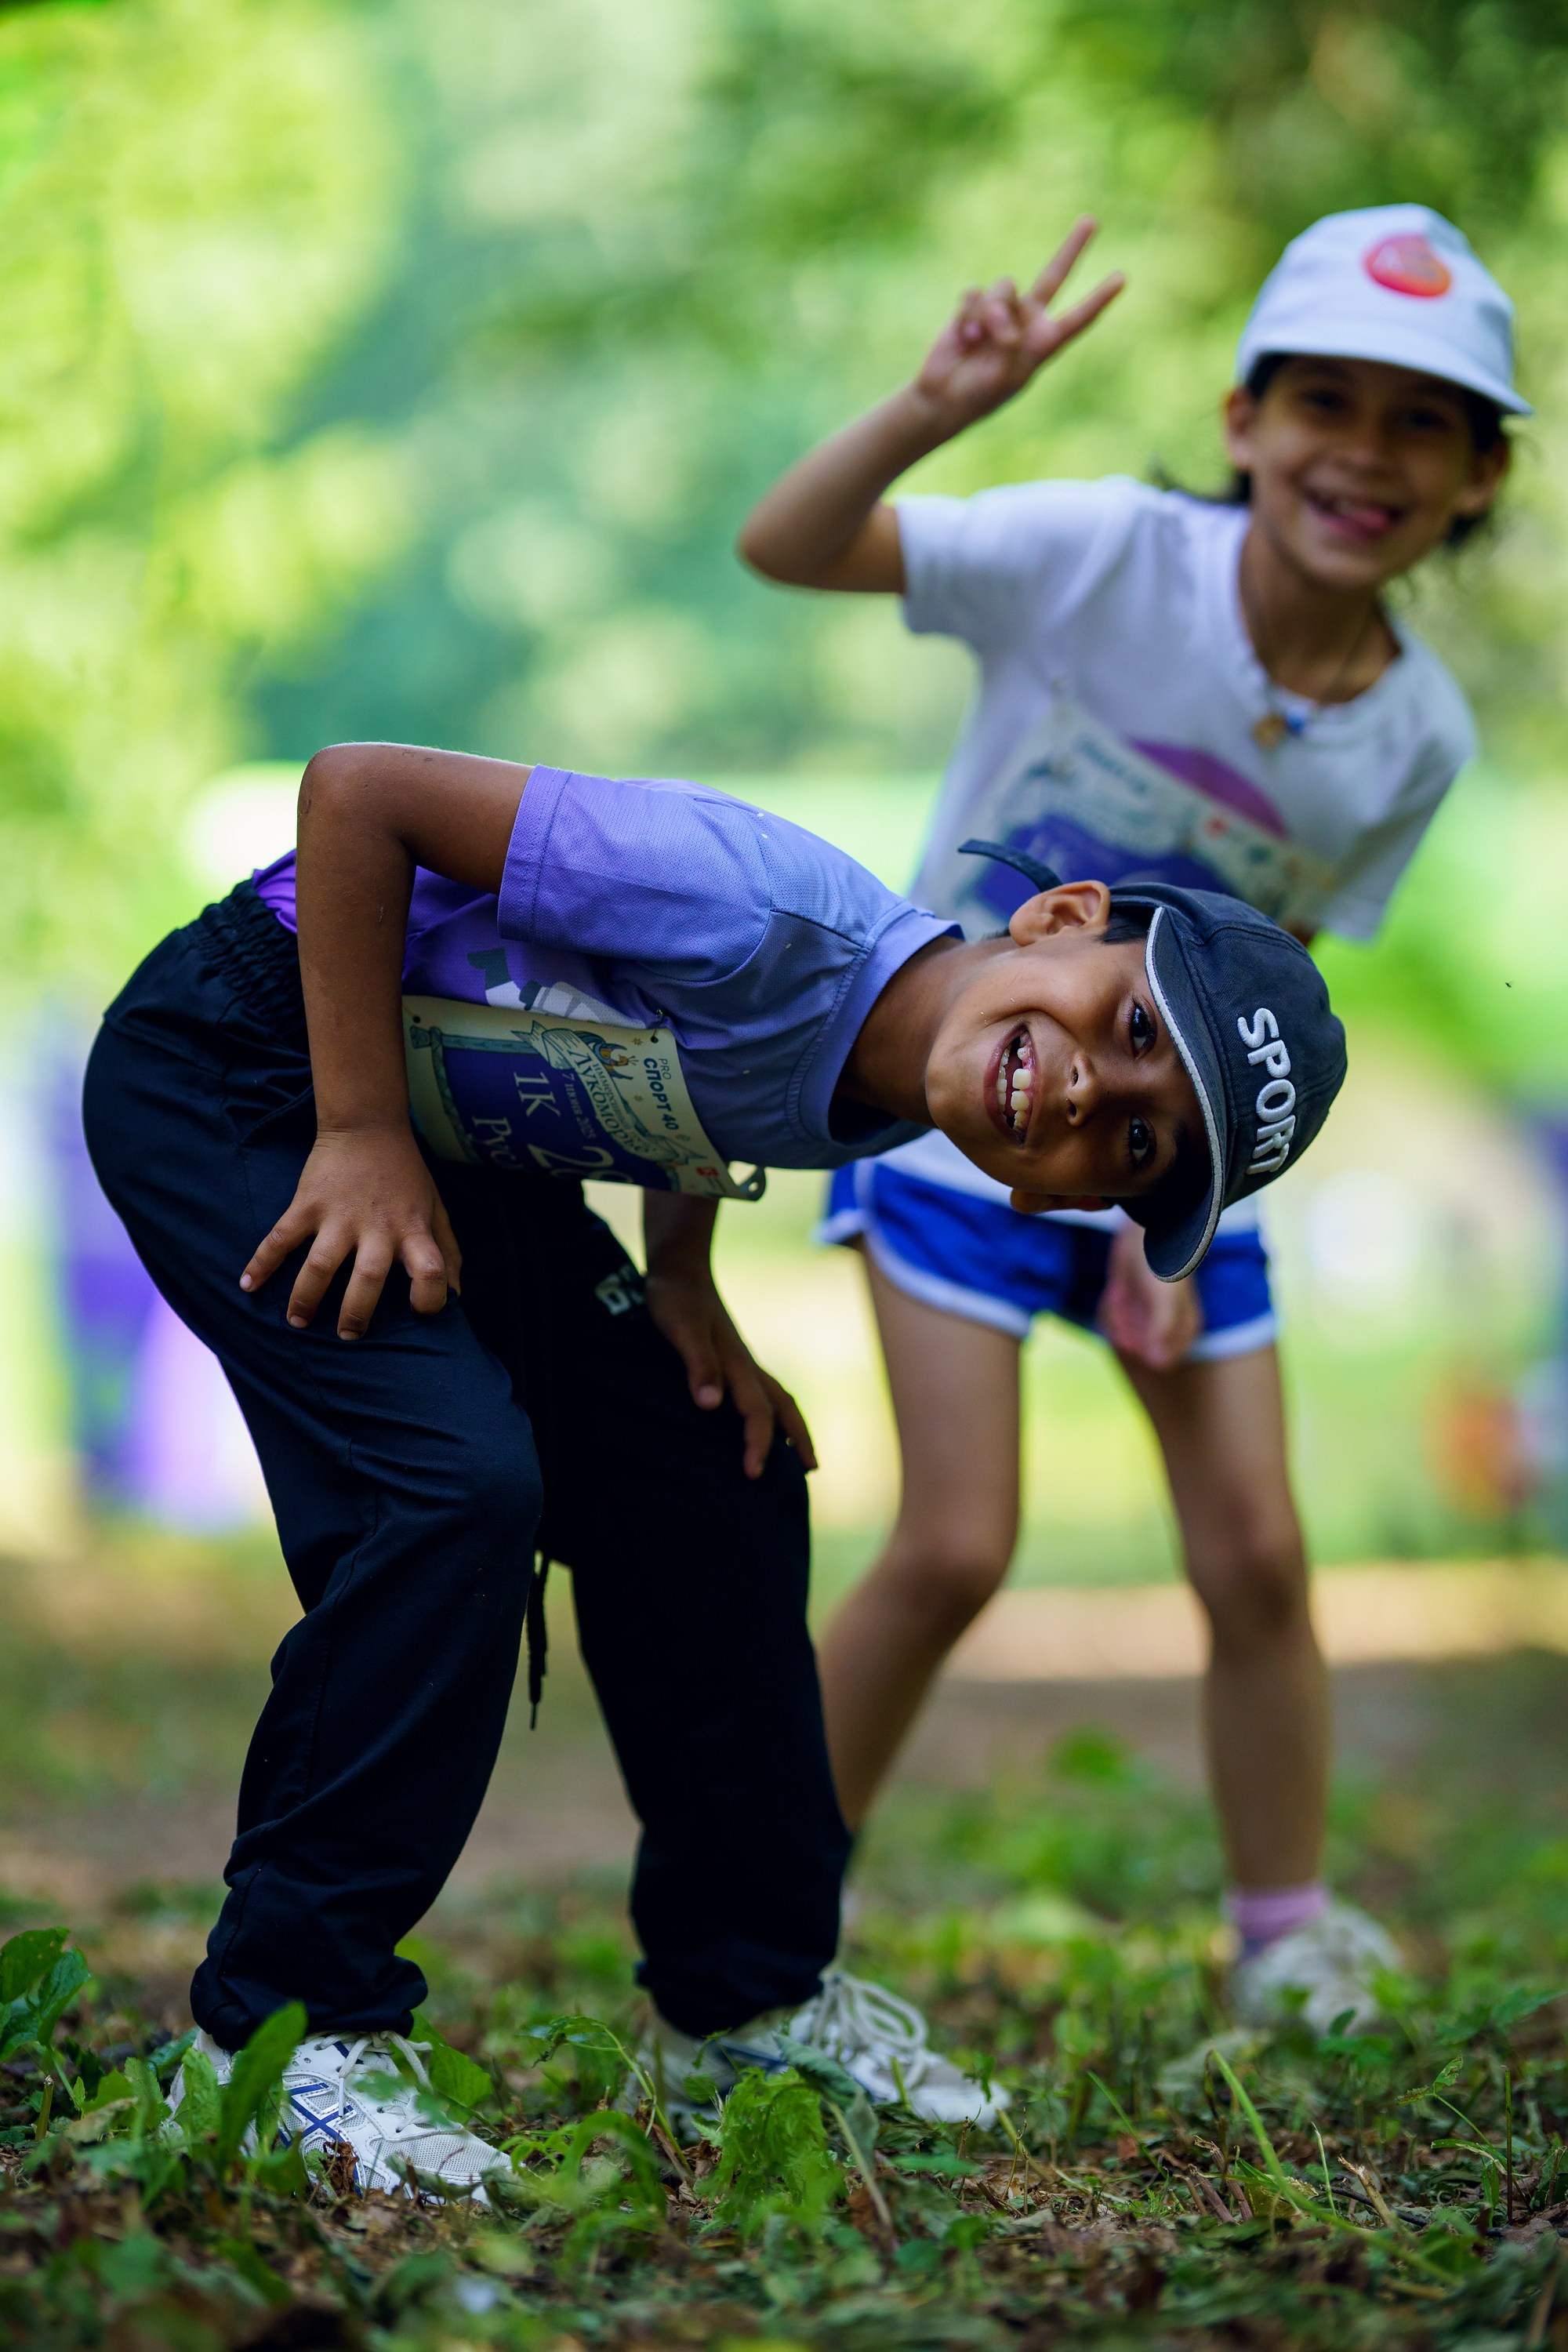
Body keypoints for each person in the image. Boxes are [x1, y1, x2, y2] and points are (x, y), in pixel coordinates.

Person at [85, 743, 1343, 2186]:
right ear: (1058, 916)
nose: (1084, 1095)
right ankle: (274, 2041)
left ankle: (746, 2005)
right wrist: (359, 1130)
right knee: (452, 1485)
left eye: (1135, 1140)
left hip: (449, 1135)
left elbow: (673, 1073)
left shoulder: (892, 1070)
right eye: (1129, 1025)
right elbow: (360, 793)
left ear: (1069, 1197)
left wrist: (681, 1282)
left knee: (713, 1460)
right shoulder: (753, 909)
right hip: (245, 1066)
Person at [739, 202, 1522, 2030]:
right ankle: (755, 1935)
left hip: (1185, 1152)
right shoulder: (1098, 552)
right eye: (1325, 400)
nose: (1366, 453)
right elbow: (789, 545)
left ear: (1478, 478)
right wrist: (935, 407)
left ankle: (1281, 1935)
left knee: (1255, 1549)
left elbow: (1290, 964)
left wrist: (1174, 1234)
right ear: (1243, 419)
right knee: (953, 1543)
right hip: (966, 1103)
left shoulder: (1413, 739)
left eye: (1425, 424)